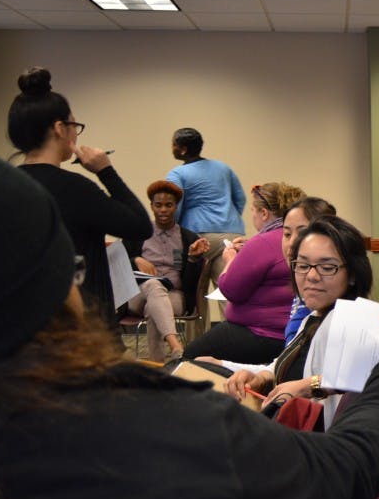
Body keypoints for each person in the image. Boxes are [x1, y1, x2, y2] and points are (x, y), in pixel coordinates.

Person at [0, 153, 379, 499]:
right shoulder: (175, 431)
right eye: (299, 257)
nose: (307, 271)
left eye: (322, 263)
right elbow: (347, 472)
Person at [7, 66, 152, 324]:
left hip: (20, 320)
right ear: (60, 129)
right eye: (74, 125)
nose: (76, 132)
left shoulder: (5, 185)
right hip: (82, 323)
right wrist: (106, 171)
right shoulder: (76, 189)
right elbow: (139, 225)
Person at [212, 216, 372, 409]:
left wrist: (309, 386)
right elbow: (282, 366)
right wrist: (260, 378)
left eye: (327, 267)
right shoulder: (312, 317)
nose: (312, 276)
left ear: (353, 274)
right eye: (303, 266)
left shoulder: (354, 322)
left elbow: (364, 376)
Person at [183, 182, 305, 364]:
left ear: (264, 213)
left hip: (260, 334)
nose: (252, 215)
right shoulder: (298, 239)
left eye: (253, 210)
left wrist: (230, 259)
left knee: (190, 357)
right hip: (289, 333)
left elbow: (230, 290)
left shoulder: (262, 242)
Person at [123, 180, 211, 362]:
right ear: (151, 206)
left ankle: (157, 363)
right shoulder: (137, 233)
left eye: (168, 205)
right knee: (154, 285)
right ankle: (176, 346)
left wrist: (193, 258)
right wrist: (135, 260)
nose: (163, 210)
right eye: (158, 205)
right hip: (137, 294)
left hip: (174, 295)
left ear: (176, 207)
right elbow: (119, 265)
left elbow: (190, 284)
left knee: (154, 308)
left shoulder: (188, 238)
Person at [166, 127, 246, 282]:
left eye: (174, 144)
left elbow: (174, 208)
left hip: (198, 236)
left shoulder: (177, 174)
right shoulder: (224, 168)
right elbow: (240, 199)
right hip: (231, 235)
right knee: (227, 289)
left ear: (183, 149)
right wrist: (226, 219)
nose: (172, 148)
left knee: (195, 289)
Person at [280, 197, 338, 344]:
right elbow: (286, 361)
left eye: (303, 233)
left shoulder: (320, 297)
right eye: (287, 234)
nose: (292, 243)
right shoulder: (301, 294)